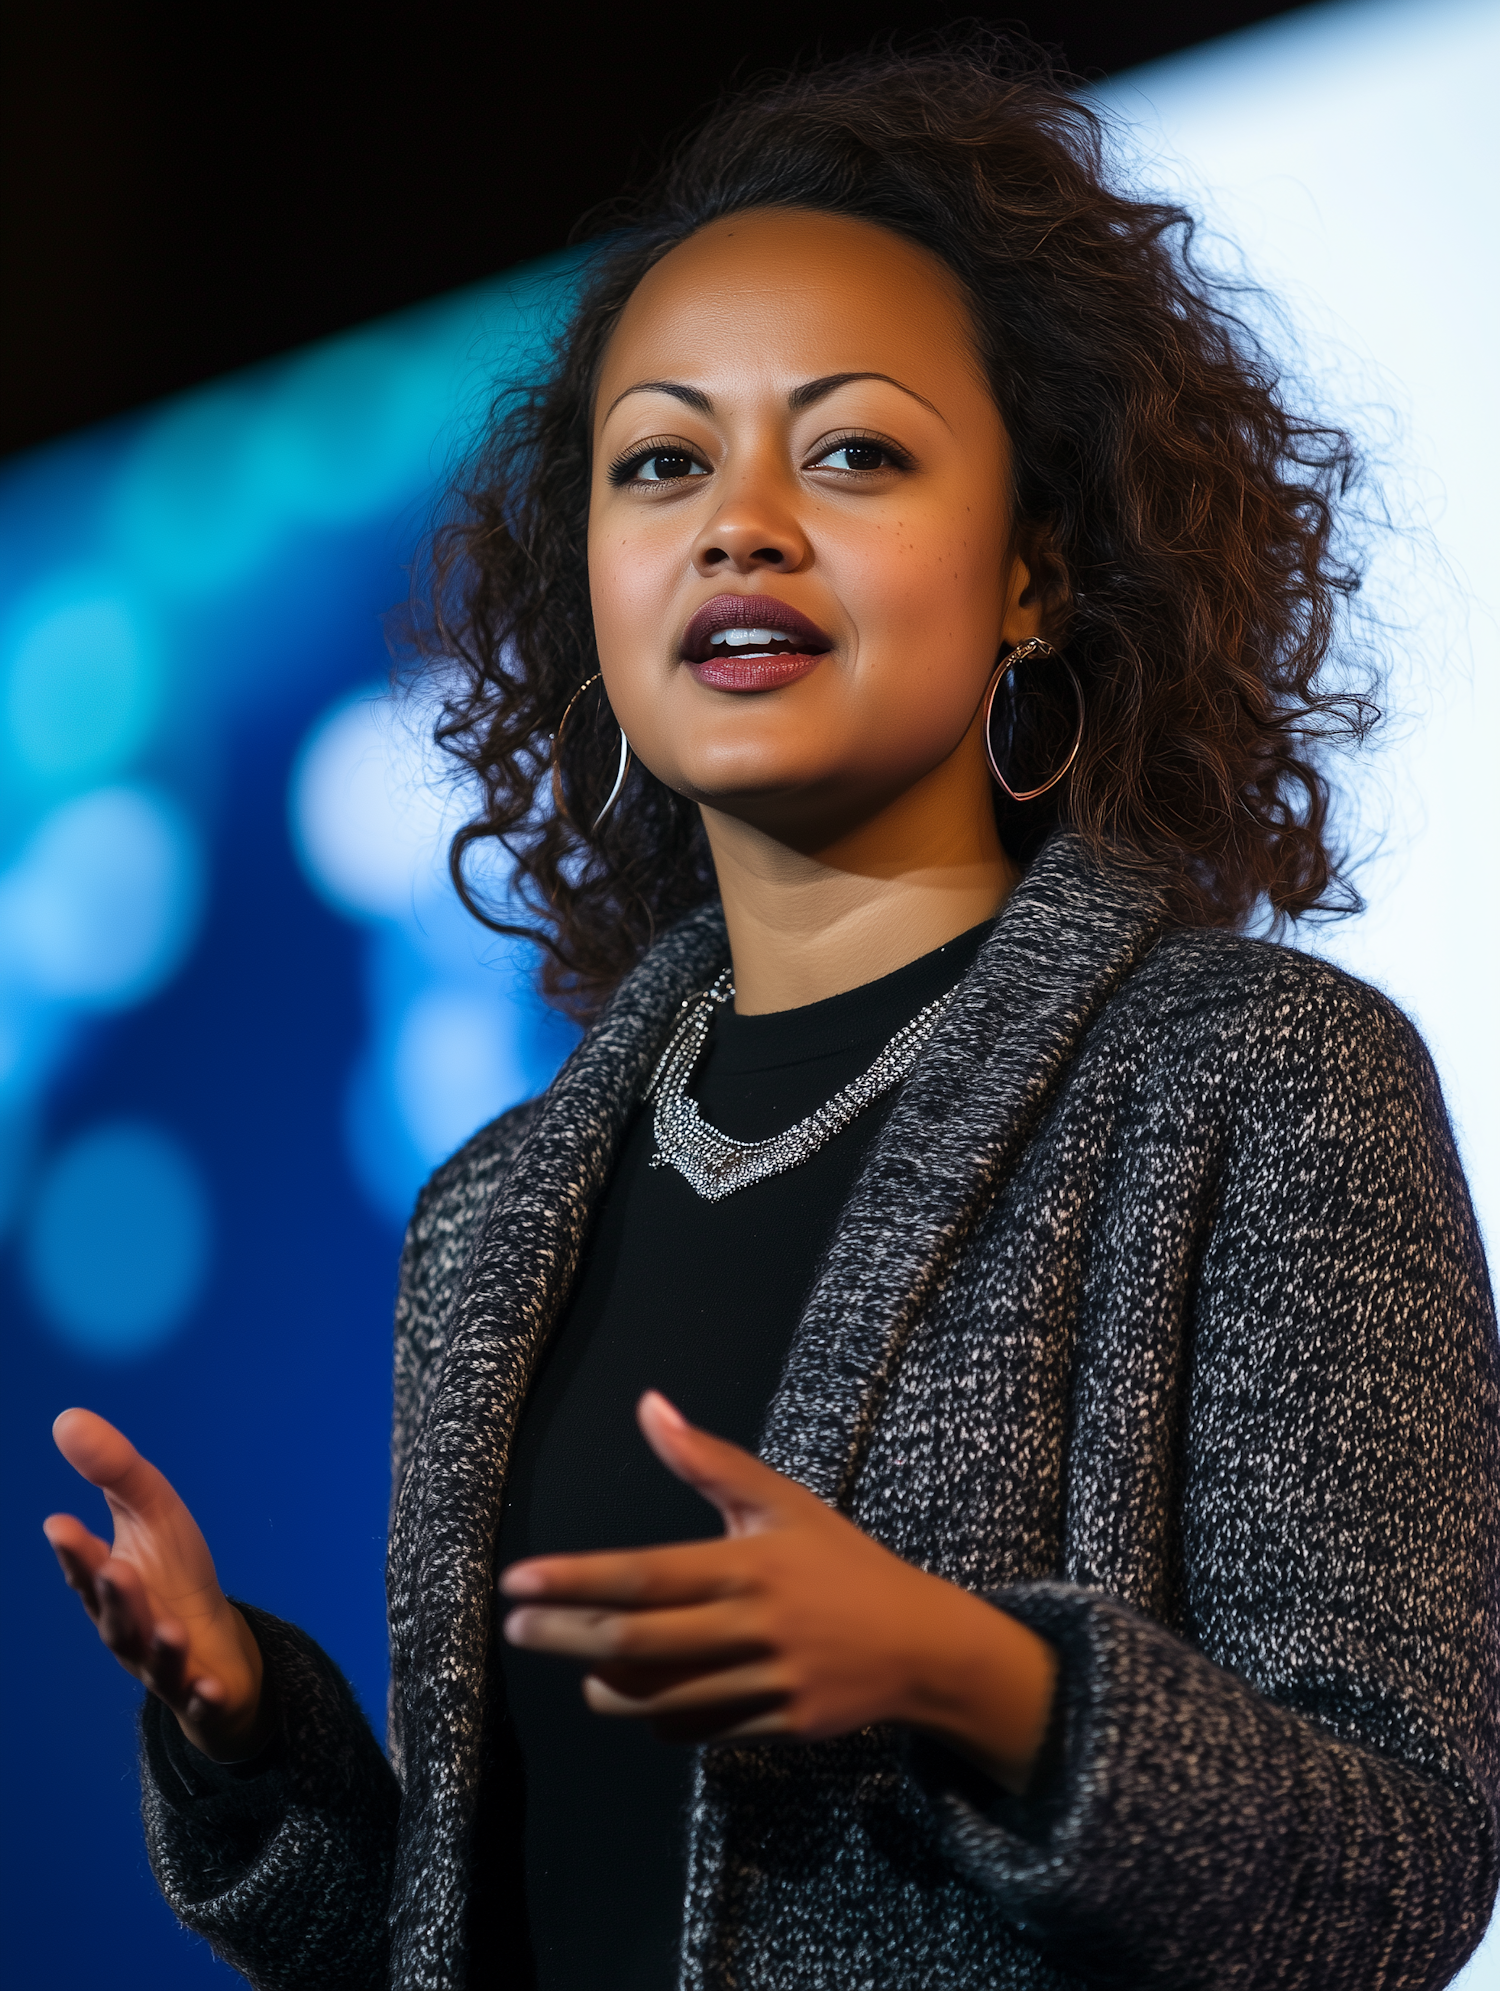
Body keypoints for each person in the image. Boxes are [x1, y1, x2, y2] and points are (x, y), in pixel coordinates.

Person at [42, 41, 1498, 1991]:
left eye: (853, 452)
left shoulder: (1260, 1079)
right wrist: (246, 1735)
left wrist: (964, 1671)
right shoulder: (491, 1217)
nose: (739, 523)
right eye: (664, 462)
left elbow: (1398, 1871)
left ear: (1036, 571)